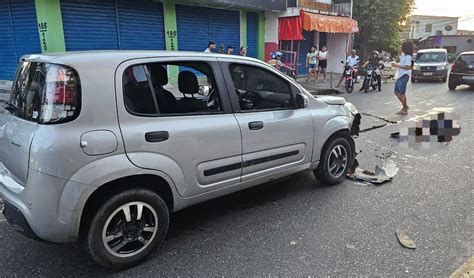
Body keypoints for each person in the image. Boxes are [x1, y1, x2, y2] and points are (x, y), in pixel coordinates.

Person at [392, 41, 414, 115]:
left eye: (402, 47)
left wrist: (397, 66)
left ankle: (405, 109)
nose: (401, 48)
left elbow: (408, 67)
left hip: (404, 75)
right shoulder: (403, 55)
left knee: (402, 93)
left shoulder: (408, 57)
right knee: (396, 91)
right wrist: (398, 53)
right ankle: (405, 106)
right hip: (400, 75)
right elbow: (398, 60)